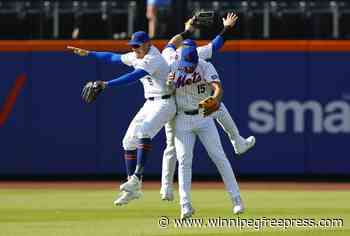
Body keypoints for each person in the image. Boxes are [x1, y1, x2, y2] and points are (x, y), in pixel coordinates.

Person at [67, 31, 176, 205]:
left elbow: (134, 76)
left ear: (148, 44)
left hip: (165, 103)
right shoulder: (136, 54)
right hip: (150, 103)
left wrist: (106, 84)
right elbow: (113, 58)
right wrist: (89, 53)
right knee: (128, 142)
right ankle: (133, 189)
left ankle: (137, 176)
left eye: (137, 45)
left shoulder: (153, 58)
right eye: (132, 46)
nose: (134, 49)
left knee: (145, 131)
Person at [160, 13, 256, 202]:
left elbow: (216, 44)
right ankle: (166, 188)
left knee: (216, 105)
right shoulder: (170, 57)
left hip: (197, 108)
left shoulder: (198, 55)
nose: (189, 67)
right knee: (172, 149)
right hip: (173, 105)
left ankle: (237, 140)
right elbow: (171, 43)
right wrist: (187, 31)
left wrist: (227, 28)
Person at [162, 42, 245, 219]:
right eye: (187, 64)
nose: (189, 68)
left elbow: (218, 89)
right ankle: (185, 205)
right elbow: (165, 90)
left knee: (219, 156)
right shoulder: (172, 64)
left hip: (203, 114)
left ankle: (237, 200)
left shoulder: (205, 66)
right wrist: (167, 85)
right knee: (184, 160)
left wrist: (214, 100)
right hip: (182, 118)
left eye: (192, 64)